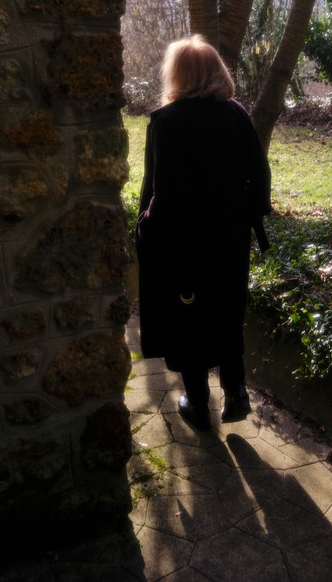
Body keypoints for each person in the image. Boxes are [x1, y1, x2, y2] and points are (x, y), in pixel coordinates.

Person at [136, 35, 272, 431]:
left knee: (187, 319)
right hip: (229, 239)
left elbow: (165, 190)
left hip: (183, 243)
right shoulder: (236, 115)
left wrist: (146, 229)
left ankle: (198, 404)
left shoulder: (168, 121)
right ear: (216, 72)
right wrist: (242, 215)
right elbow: (260, 178)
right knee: (227, 310)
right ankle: (237, 393)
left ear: (177, 74)